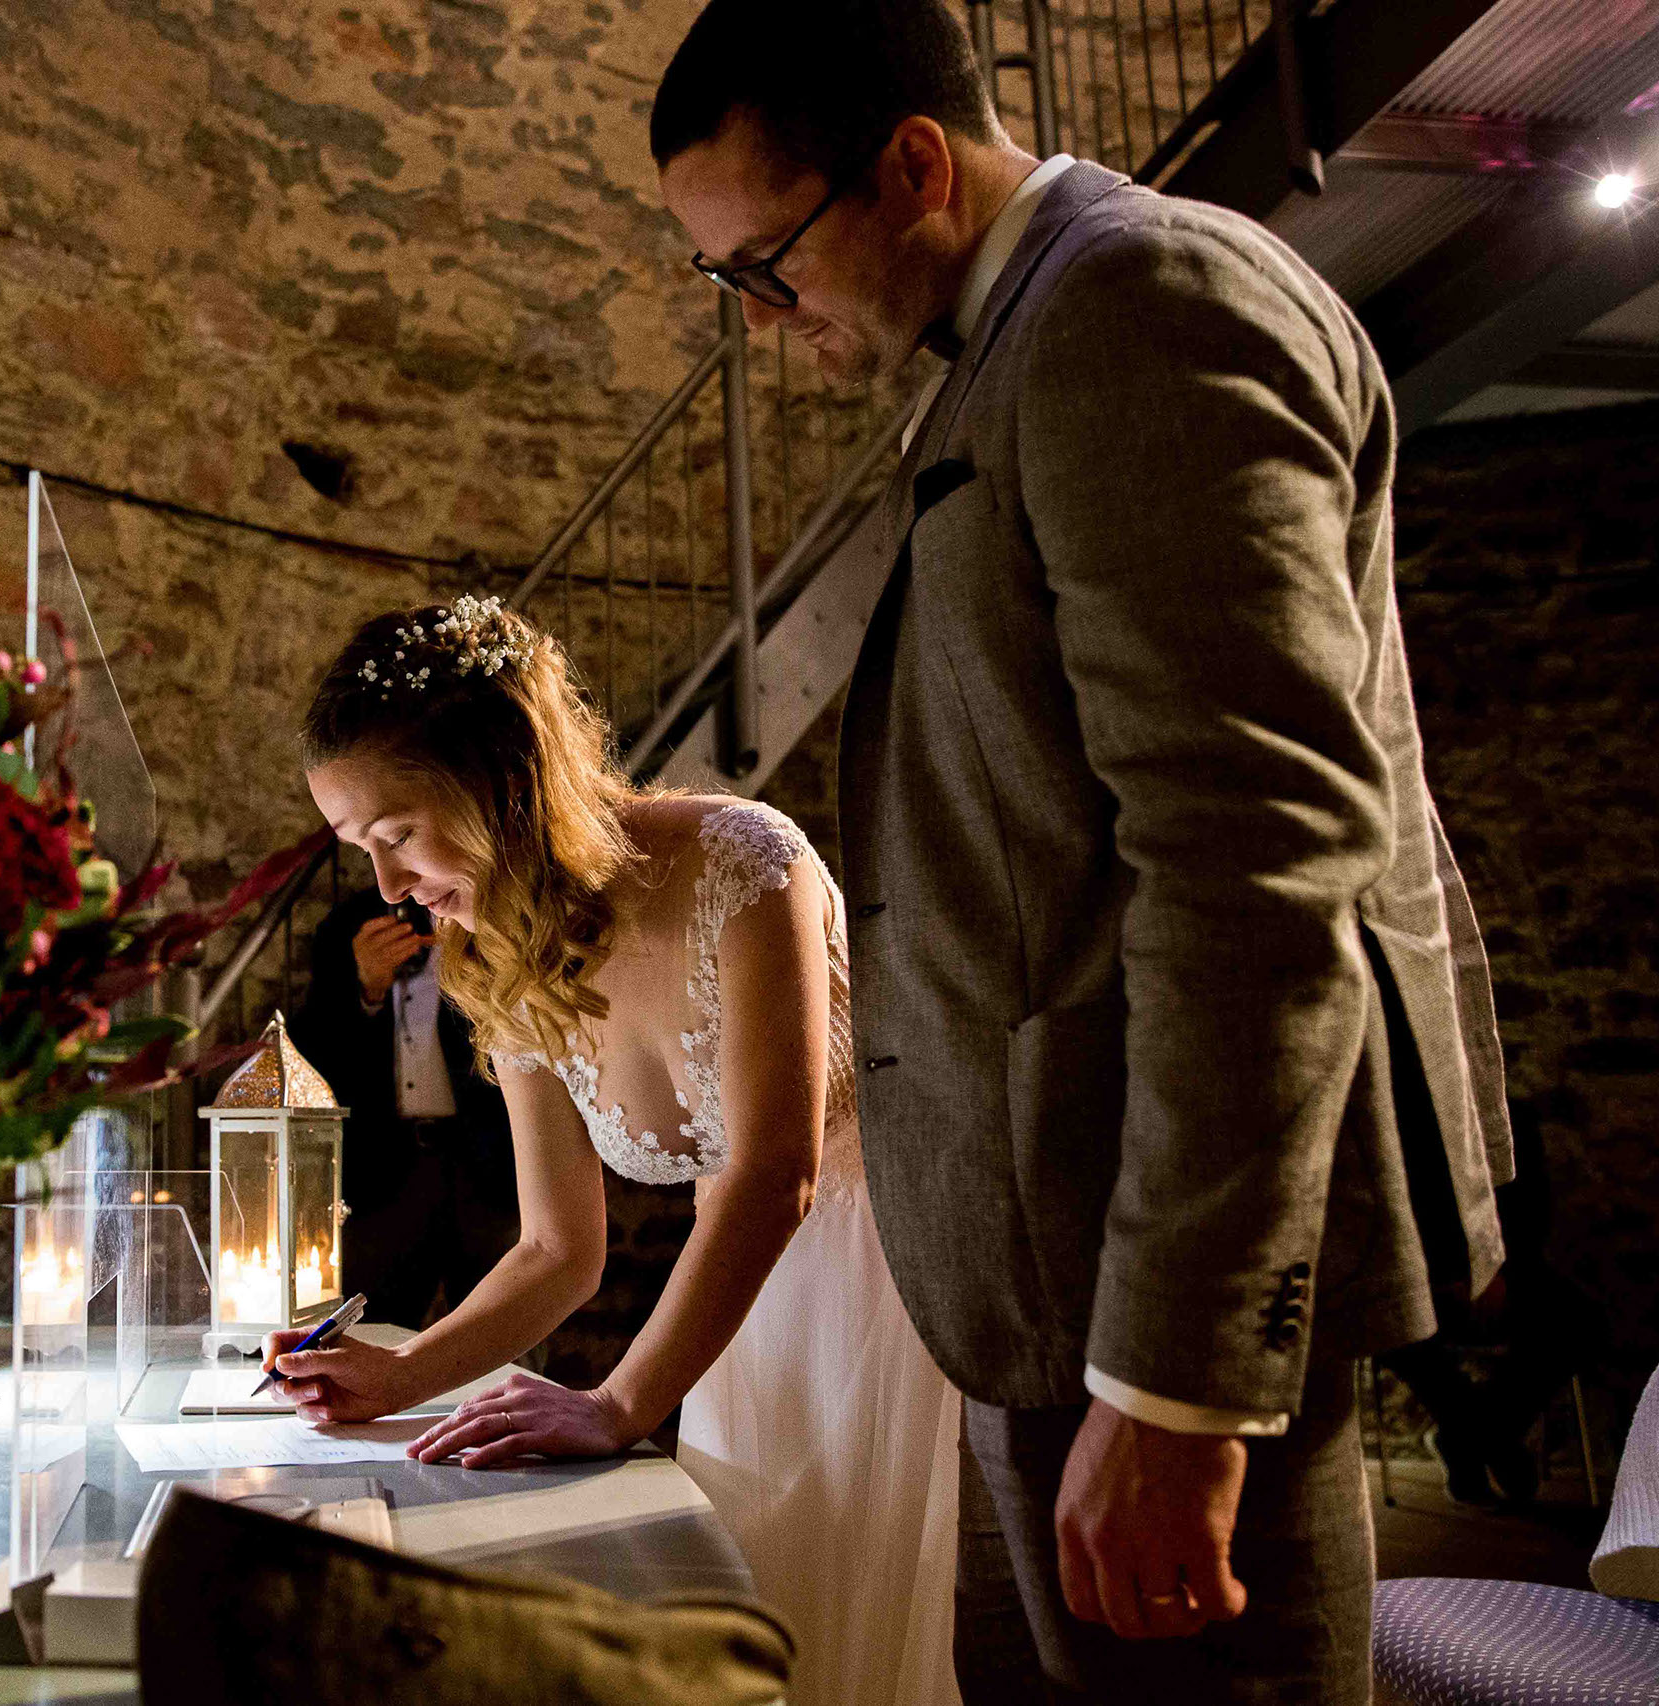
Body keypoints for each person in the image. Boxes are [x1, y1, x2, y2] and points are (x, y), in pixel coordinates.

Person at [645, 2, 1512, 1700]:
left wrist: (1179, 1385)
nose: (763, 320)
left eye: (768, 263)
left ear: (912, 167)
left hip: (1143, 1287)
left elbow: (1253, 858)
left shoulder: (1139, 304)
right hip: (1049, 1268)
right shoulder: (1017, 340)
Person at [266, 596, 963, 1706]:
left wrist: (619, 1401)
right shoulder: (500, 947)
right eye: (362, 850)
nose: (389, 886)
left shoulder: (744, 861)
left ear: (493, 783)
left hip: (892, 1272)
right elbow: (557, 1245)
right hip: (742, 1302)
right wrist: (402, 1372)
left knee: (841, 1627)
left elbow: (772, 1172)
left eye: (396, 834)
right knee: (756, 1601)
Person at [291, 884, 524, 1335]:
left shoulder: (500, 912)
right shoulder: (351, 924)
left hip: (489, 1159)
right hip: (382, 1164)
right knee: (371, 1331)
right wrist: (364, 988)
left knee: (506, 1331)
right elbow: (315, 1052)